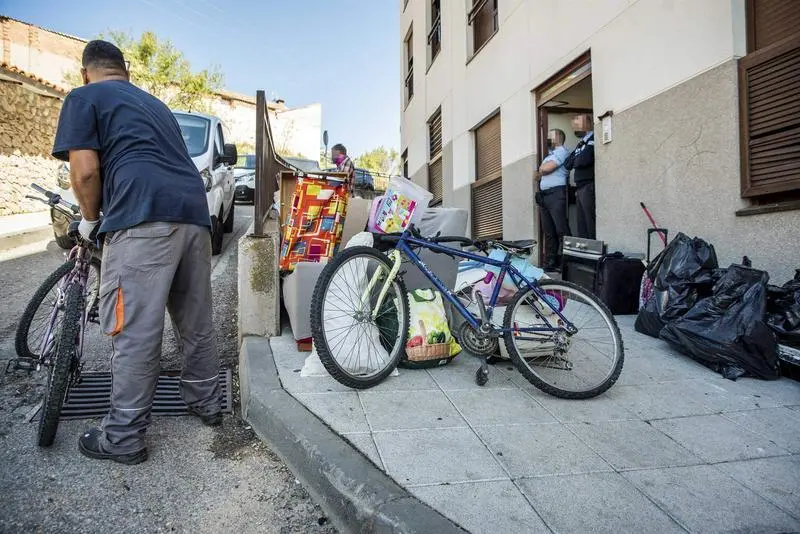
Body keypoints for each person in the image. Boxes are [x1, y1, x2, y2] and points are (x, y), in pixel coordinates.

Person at [52, 40, 221, 465]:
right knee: (194, 320)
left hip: (142, 217)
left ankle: (123, 437)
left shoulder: (83, 96)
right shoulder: (156, 106)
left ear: (84, 70)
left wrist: (90, 221)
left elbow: (86, 169)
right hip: (194, 214)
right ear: (125, 70)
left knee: (135, 331)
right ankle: (207, 403)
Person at [535, 128, 572, 271]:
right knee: (548, 230)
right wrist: (542, 169)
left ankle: (567, 263)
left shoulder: (562, 151)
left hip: (557, 194)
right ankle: (551, 262)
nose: (548, 139)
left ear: (558, 137)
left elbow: (545, 169)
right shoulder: (549, 155)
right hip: (545, 195)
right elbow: (538, 174)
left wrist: (542, 169)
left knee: (561, 229)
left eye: (550, 136)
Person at [564, 114, 596, 239]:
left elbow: (584, 160)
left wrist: (576, 160)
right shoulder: (580, 144)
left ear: (587, 124)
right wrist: (577, 159)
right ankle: (585, 257)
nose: (574, 129)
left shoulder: (593, 138)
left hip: (589, 185)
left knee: (590, 221)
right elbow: (567, 164)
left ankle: (594, 255)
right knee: (581, 224)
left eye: (577, 125)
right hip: (580, 187)